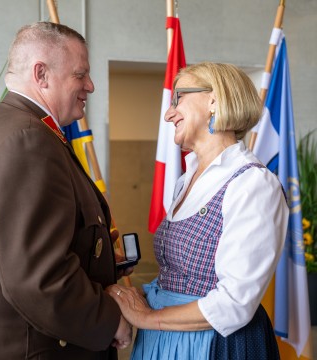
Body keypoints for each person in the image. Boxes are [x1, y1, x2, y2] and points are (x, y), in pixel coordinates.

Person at [0, 22, 132, 360]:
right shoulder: (26, 140)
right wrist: (108, 321)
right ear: (41, 74)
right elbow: (38, 276)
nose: (90, 86)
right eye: (80, 75)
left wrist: (100, 257)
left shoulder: (16, 127)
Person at [107, 62, 289, 359]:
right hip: (166, 336)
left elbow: (234, 303)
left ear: (214, 100)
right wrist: (137, 296)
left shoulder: (253, 184)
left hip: (214, 345)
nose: (169, 113)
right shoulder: (187, 178)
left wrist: (146, 318)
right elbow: (181, 276)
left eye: (179, 98)